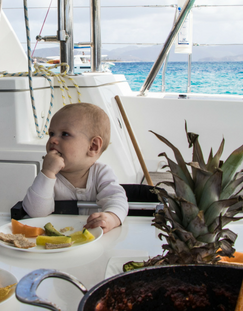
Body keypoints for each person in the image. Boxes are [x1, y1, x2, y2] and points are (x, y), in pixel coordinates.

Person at [23, 103, 128, 233]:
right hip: (58, 239)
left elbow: (117, 200)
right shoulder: (50, 178)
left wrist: (112, 217)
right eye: (51, 133)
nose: (53, 140)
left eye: (65, 134)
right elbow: (35, 212)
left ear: (93, 146)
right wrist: (48, 173)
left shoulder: (102, 173)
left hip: (94, 239)